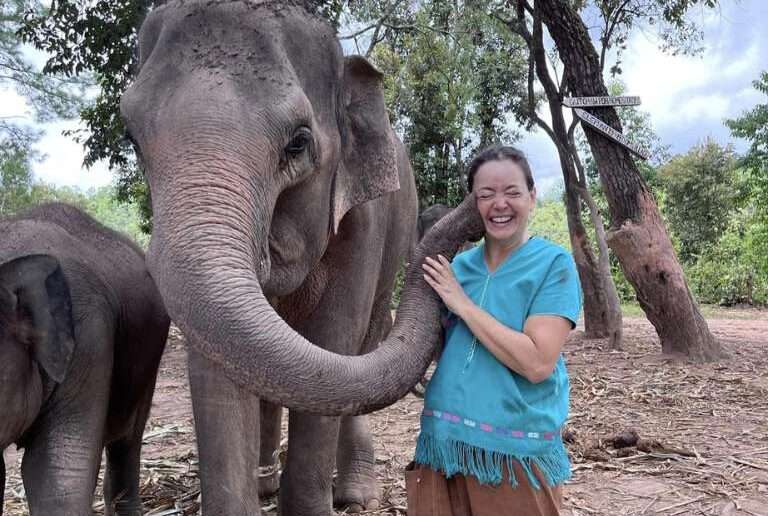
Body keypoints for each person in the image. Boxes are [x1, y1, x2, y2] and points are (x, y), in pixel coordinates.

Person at [407, 145, 582, 516]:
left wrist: (463, 305)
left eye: (512, 192)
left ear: (532, 197)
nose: (499, 204)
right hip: (442, 445)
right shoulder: (456, 267)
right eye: (485, 195)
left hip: (513, 455)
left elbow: (537, 362)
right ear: (473, 205)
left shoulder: (554, 265)